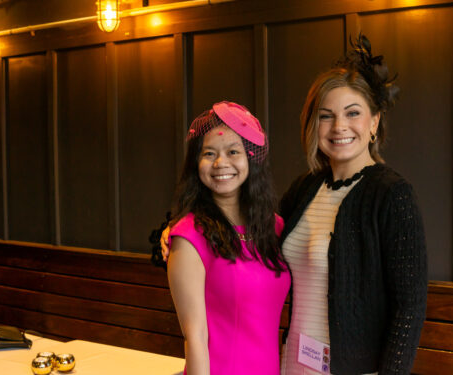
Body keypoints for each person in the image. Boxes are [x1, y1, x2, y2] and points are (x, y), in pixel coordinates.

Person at [160, 35, 427, 375]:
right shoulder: (304, 189)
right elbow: (249, 231)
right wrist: (178, 232)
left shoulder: (392, 194)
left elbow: (410, 308)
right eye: (326, 116)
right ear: (314, 124)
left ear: (374, 122)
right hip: (289, 364)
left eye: (353, 113)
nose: (339, 127)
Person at [166, 101, 290, 375]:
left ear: (251, 159)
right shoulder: (189, 237)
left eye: (233, 152)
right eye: (209, 153)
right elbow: (195, 338)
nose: (220, 163)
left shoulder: (275, 227)